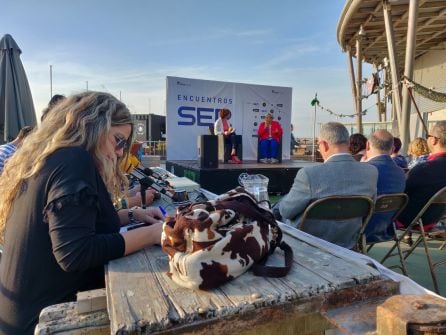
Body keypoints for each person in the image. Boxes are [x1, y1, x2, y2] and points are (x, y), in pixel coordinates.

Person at [0, 91, 164, 334]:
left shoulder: (52, 158)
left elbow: (75, 222)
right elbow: (75, 252)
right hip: (44, 321)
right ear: (94, 127)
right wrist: (154, 234)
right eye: (118, 140)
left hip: (22, 314)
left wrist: (134, 215)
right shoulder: (74, 161)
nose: (120, 152)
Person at [276, 122, 378, 249]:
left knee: (278, 208)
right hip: (347, 243)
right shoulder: (371, 172)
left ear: (323, 145)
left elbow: (286, 212)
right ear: (347, 143)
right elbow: (370, 208)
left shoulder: (309, 174)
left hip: (307, 243)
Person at [397, 121, 446, 229]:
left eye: (428, 136)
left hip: (411, 220)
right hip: (436, 219)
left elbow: (401, 192)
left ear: (434, 140)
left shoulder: (424, 169)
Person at [362, 129, 406, 243]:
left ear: (367, 145)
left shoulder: (364, 170)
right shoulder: (401, 173)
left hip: (361, 230)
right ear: (392, 149)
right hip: (386, 229)